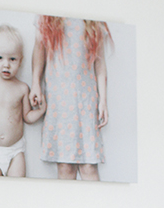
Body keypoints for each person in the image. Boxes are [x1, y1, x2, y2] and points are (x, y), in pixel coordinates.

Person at [30, 16, 111, 181]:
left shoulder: (93, 22)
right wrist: (35, 83)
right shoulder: (48, 19)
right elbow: (39, 50)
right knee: (65, 166)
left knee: (89, 167)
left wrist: (103, 100)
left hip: (86, 103)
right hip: (60, 103)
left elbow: (100, 64)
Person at [0, 25, 46, 177]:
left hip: (15, 151)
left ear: (20, 60)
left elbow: (27, 117)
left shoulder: (22, 88)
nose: (6, 64)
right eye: (0, 58)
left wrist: (41, 110)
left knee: (17, 188)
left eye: (12, 59)